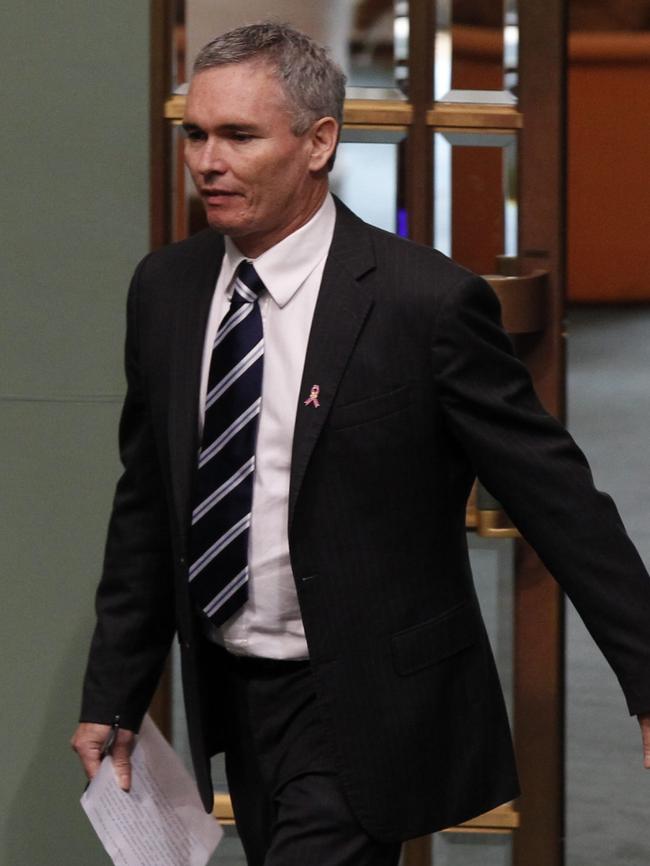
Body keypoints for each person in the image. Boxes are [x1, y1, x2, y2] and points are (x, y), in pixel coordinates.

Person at [72, 21, 650, 866]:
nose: (206, 162)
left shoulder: (426, 305)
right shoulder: (166, 289)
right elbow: (149, 509)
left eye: (238, 136)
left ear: (320, 143)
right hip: (232, 692)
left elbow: (556, 497)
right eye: (194, 134)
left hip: (366, 698)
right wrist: (114, 695)